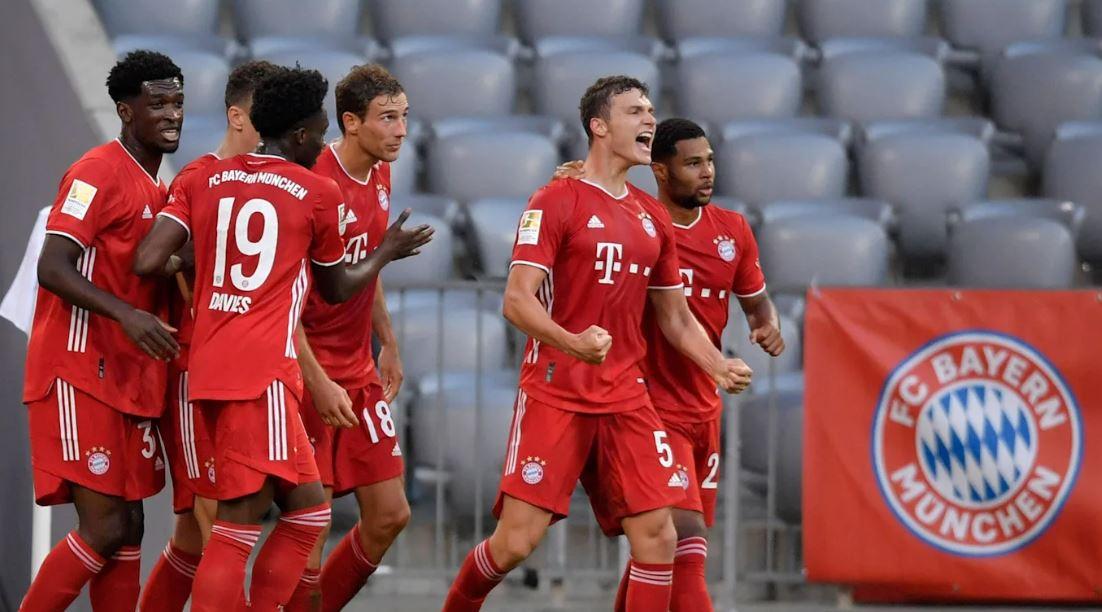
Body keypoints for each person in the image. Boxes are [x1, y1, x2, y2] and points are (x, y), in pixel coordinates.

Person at [441, 76, 753, 612]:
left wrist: (716, 363)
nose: (649, 120)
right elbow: (517, 301)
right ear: (599, 126)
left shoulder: (652, 215)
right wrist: (573, 343)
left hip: (627, 397)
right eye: (635, 111)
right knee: (515, 543)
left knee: (659, 538)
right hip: (556, 392)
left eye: (651, 110)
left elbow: (675, 317)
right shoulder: (554, 199)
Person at [132, 66, 432, 612]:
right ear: (299, 135)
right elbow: (336, 285)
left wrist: (201, 259)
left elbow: (150, 259)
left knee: (306, 511)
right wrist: (386, 251)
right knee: (236, 527)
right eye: (319, 133)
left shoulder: (205, 178)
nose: (323, 144)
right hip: (264, 371)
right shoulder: (314, 190)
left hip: (208, 368)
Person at [19, 50, 184, 611]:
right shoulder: (96, 171)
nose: (172, 113)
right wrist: (128, 315)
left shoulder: (159, 189)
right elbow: (53, 266)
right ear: (124, 109)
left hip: (126, 378)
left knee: (132, 525)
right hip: (77, 369)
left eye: (178, 101)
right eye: (157, 102)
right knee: (106, 527)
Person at [139, 59, 284, 612]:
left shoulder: (276, 182)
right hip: (198, 371)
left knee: (195, 539)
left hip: (254, 374)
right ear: (238, 116)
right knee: (218, 527)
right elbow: (155, 261)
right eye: (266, 118)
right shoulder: (197, 179)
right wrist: (197, 254)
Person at [286, 64, 411, 612]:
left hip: (358, 366)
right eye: (388, 118)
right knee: (312, 522)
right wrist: (314, 380)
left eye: (404, 116)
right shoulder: (315, 180)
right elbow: (284, 293)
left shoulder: (380, 172)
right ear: (351, 122)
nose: (401, 129)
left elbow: (367, 265)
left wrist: (388, 340)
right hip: (307, 369)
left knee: (390, 514)